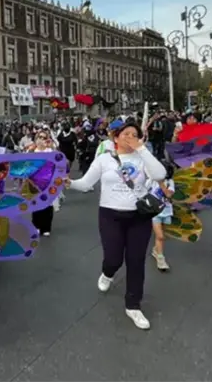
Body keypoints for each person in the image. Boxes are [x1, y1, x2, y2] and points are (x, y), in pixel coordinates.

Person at [65, 123, 167, 330]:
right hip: (110, 215)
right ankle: (107, 273)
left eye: (135, 134)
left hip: (139, 217)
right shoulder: (104, 160)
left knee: (136, 261)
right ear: (116, 138)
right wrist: (70, 183)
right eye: (126, 134)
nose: (130, 137)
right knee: (113, 258)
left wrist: (142, 149)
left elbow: (160, 174)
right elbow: (85, 183)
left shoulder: (143, 158)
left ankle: (133, 305)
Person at [149, 162, 175, 271]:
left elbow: (169, 194)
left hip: (167, 211)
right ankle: (160, 259)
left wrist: (161, 183)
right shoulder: (151, 180)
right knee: (160, 236)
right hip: (155, 212)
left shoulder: (170, 182)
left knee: (164, 236)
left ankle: (156, 250)